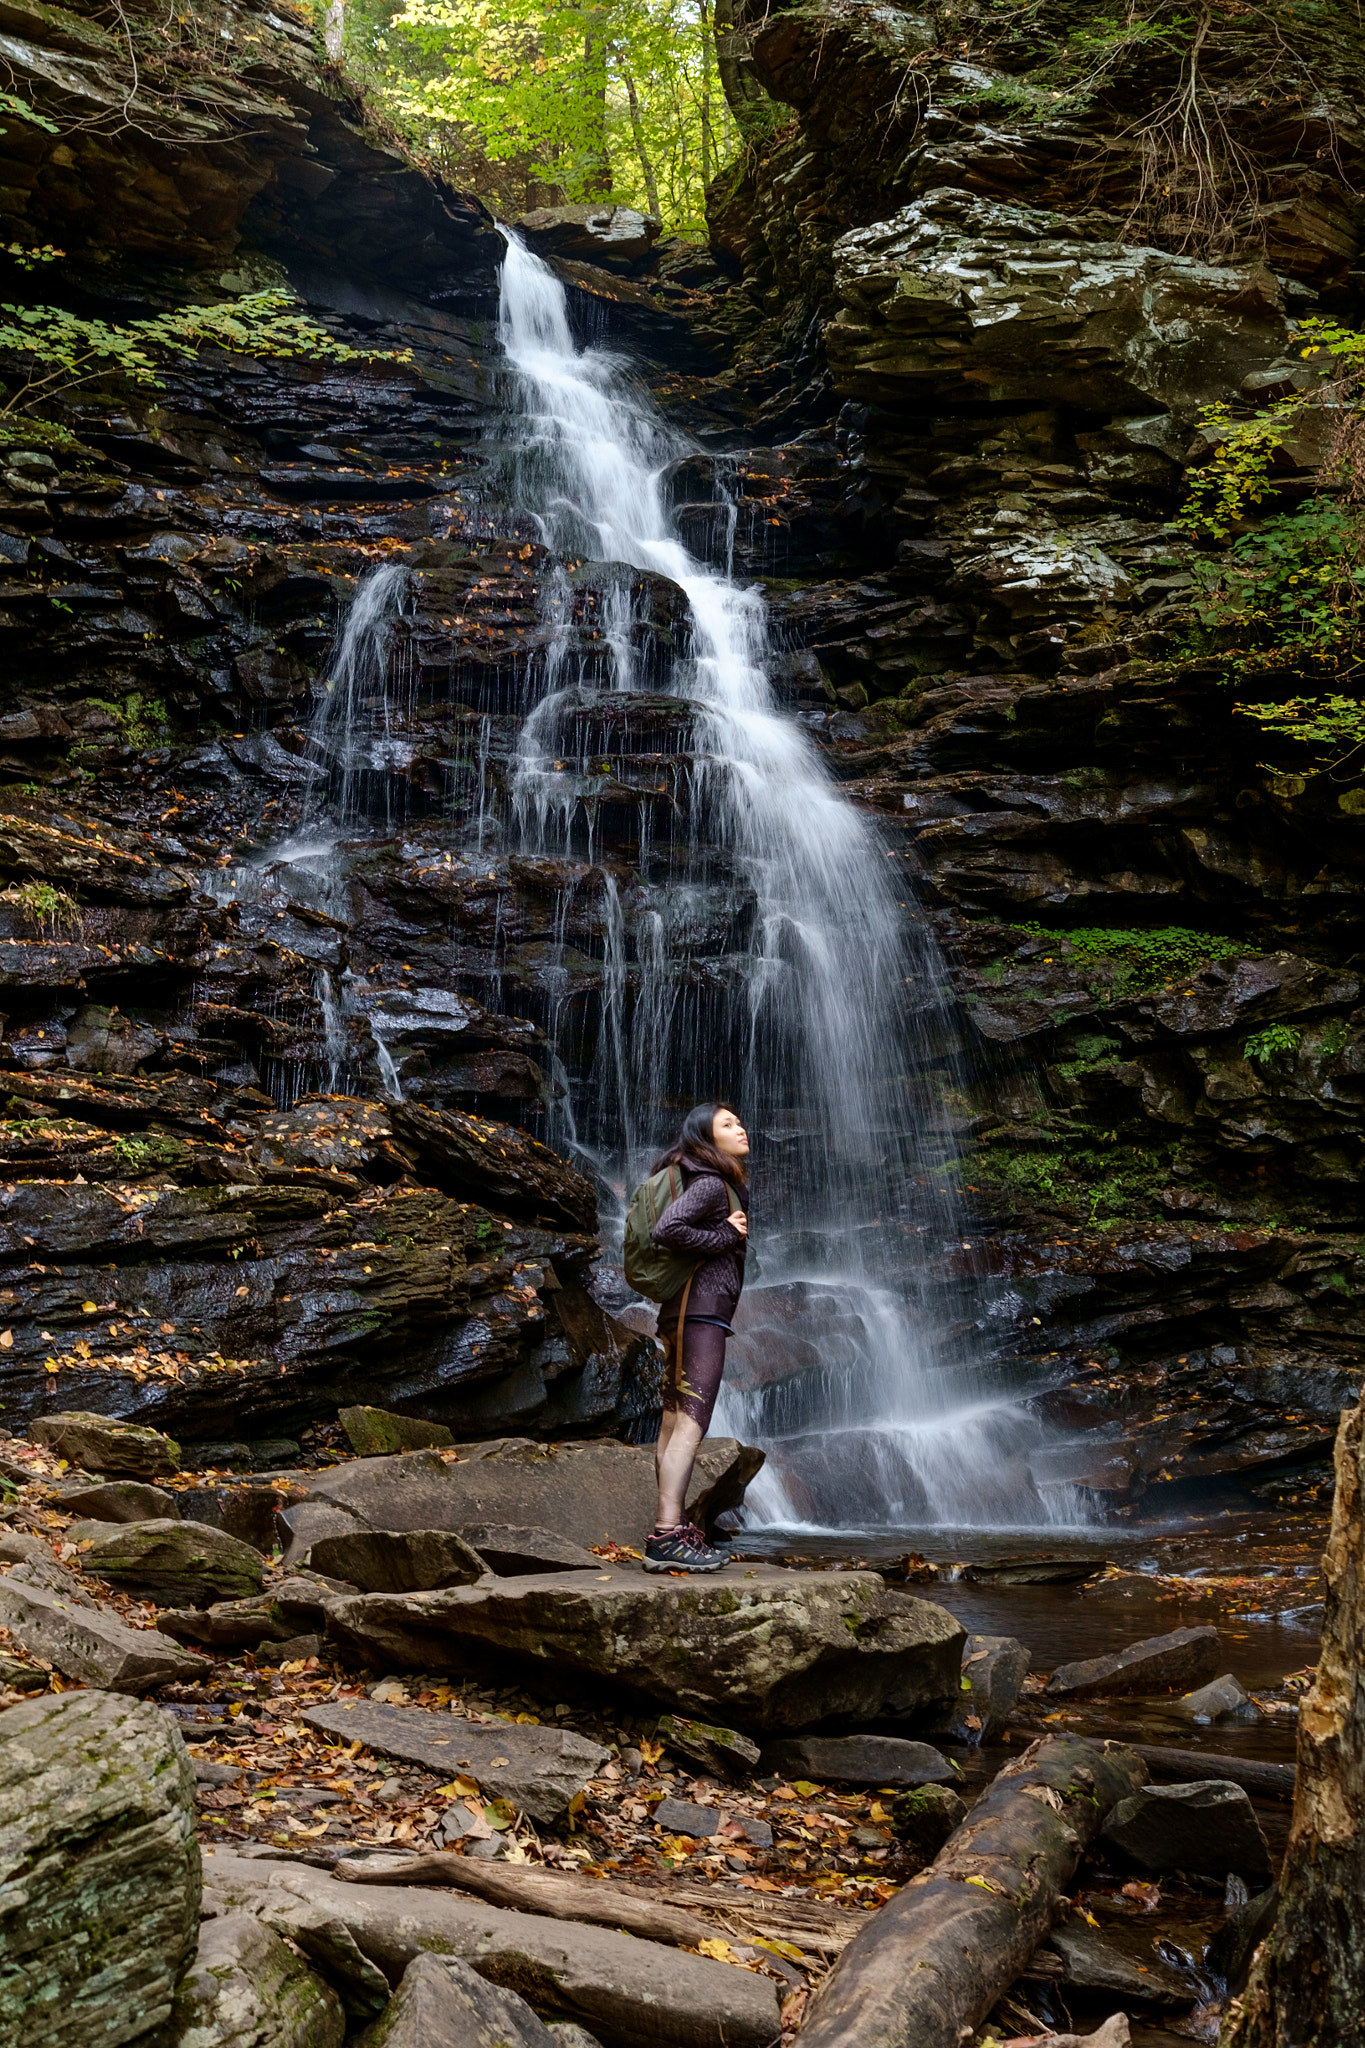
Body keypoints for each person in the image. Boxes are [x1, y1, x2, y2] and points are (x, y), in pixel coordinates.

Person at [644, 1101, 750, 1572]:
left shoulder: (701, 1180)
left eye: (738, 1121)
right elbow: (666, 1228)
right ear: (706, 1139)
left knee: (672, 1422)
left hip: (684, 1313)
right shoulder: (710, 1184)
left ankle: (671, 1528)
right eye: (727, 1125)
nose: (740, 1128)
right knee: (692, 1421)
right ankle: (668, 1533)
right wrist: (726, 1235)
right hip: (699, 1314)